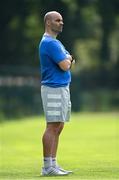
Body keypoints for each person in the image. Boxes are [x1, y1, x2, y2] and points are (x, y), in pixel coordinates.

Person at [39, 11, 75, 176]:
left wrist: (68, 58)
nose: (61, 23)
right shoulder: (50, 43)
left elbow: (70, 59)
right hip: (53, 88)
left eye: (62, 20)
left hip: (62, 87)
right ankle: (47, 167)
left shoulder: (56, 42)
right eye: (57, 20)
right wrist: (68, 59)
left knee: (59, 125)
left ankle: (53, 164)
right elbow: (65, 65)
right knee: (52, 126)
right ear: (48, 23)